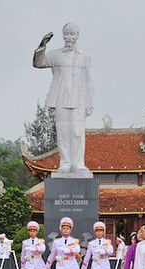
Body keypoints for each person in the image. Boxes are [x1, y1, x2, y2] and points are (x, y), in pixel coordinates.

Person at [33, 22, 94, 177]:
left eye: (72, 34)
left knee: (77, 132)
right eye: (66, 34)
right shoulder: (55, 55)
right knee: (63, 132)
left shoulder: (85, 57)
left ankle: (79, 163)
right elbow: (38, 63)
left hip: (79, 99)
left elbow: (89, 81)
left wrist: (90, 102)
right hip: (61, 98)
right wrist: (42, 45)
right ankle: (65, 162)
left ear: (77, 36)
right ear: (62, 36)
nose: (69, 37)